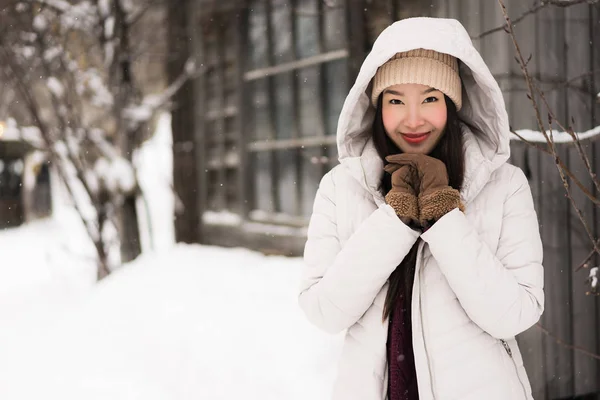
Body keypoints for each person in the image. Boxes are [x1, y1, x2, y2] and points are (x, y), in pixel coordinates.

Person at [298, 17, 544, 400]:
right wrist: (395, 218)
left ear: (451, 103)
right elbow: (325, 311)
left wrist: (444, 215)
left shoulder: (503, 186)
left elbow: (514, 313)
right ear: (378, 106)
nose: (413, 119)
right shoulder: (340, 188)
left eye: (430, 98)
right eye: (396, 100)